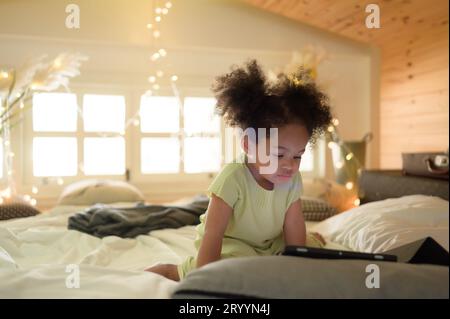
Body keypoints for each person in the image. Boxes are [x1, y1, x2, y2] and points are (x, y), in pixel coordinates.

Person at [146, 60, 333, 281]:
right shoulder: (232, 178)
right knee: (234, 267)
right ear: (248, 145)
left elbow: (293, 223)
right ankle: (169, 269)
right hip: (233, 242)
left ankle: (312, 241)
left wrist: (298, 264)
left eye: (298, 156)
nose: (289, 165)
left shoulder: (292, 179)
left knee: (305, 249)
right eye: (279, 154)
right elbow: (213, 233)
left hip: (270, 242)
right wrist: (206, 276)